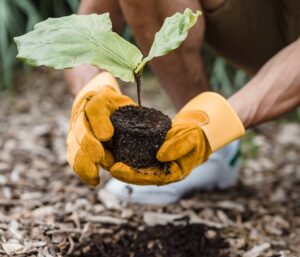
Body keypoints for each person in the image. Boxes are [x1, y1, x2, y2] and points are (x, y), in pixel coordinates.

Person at [65, 0, 300, 205]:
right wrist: (91, 88)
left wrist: (217, 121)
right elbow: (86, 26)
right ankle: (206, 155)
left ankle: (207, 144)